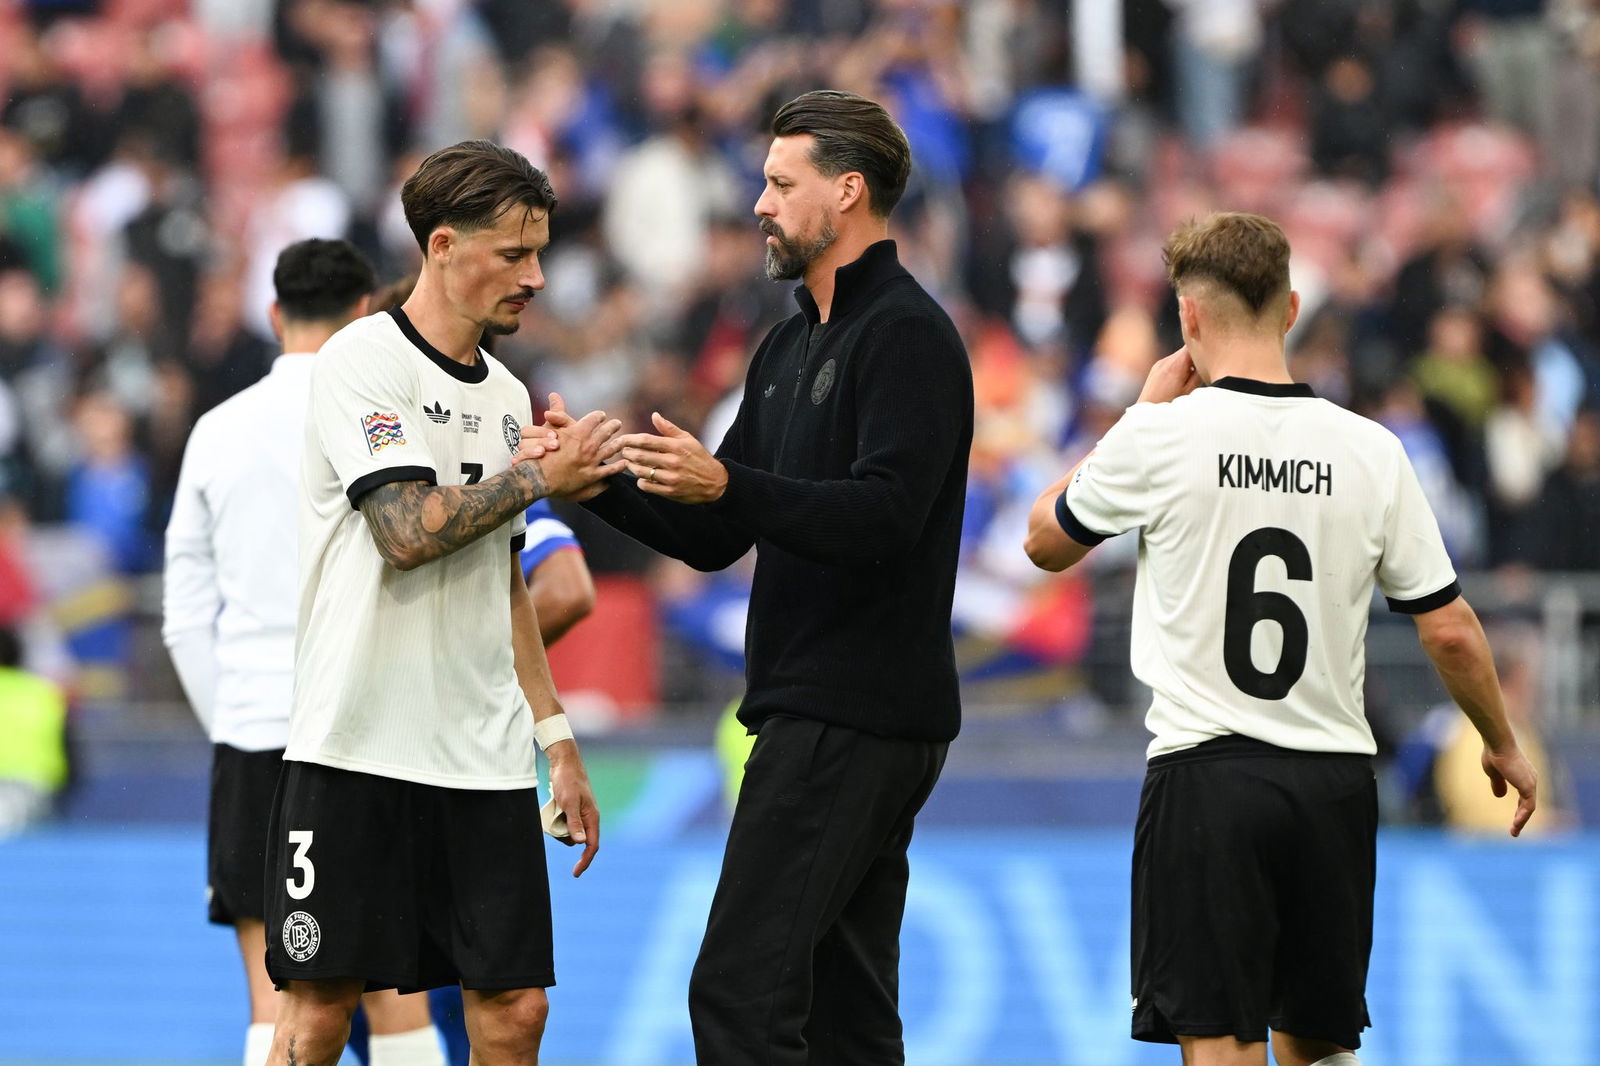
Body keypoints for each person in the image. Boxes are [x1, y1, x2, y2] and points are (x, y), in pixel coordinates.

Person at [1023, 211, 1539, 1066]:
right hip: (1333, 782)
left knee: (1222, 1047)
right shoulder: (1372, 450)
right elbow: (1448, 629)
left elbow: (1044, 541)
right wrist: (1501, 741)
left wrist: (1136, 413)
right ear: (1292, 308)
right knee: (1317, 1049)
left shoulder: (1160, 435)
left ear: (1187, 319)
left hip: (1208, 777)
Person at [574, 89, 973, 1065]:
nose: (757, 203)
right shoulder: (788, 342)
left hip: (851, 714)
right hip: (825, 712)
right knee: (846, 1016)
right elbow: (718, 529)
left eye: (777, 183)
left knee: (739, 992)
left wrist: (729, 481)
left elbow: (884, 516)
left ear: (845, 193)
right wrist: (591, 481)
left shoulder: (906, 336)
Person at [260, 140, 619, 1066]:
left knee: (515, 1014)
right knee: (316, 1017)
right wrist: (538, 475)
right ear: (443, 245)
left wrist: (555, 739)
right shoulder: (361, 362)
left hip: (480, 759)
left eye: (540, 253)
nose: (535, 277)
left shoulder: (506, 394)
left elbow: (504, 577)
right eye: (513, 254)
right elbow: (408, 532)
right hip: (355, 744)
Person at [162, 238, 457, 1066]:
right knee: (396, 999)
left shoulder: (216, 434)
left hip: (259, 735)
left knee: (274, 1001)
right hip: (371, 734)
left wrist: (239, 719)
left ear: (272, 315)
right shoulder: (382, 422)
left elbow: (184, 611)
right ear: (367, 311)